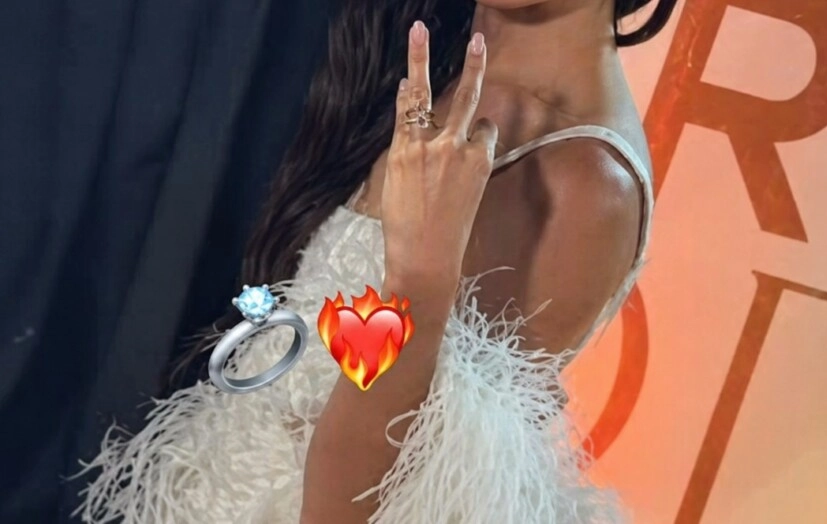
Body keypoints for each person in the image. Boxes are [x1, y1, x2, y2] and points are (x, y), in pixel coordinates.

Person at [74, 0, 677, 522]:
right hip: (210, 484)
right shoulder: (424, 55)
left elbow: (374, 494)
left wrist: (419, 281)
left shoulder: (584, 183)